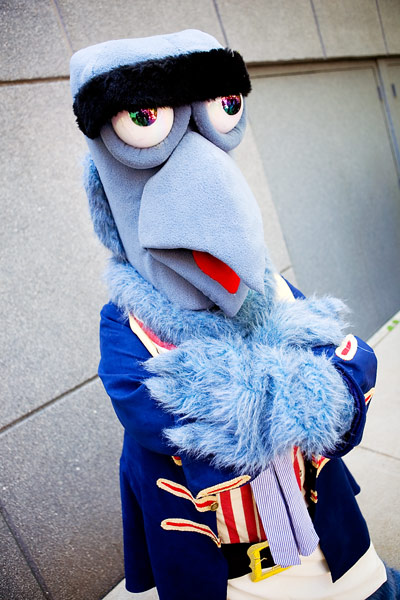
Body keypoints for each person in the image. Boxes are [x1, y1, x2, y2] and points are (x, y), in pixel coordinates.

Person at [70, 29, 400, 600]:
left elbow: (350, 361)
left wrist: (318, 389)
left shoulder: (269, 293)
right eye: (145, 117)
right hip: (228, 565)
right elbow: (153, 412)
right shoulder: (127, 325)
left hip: (324, 537)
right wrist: (296, 393)